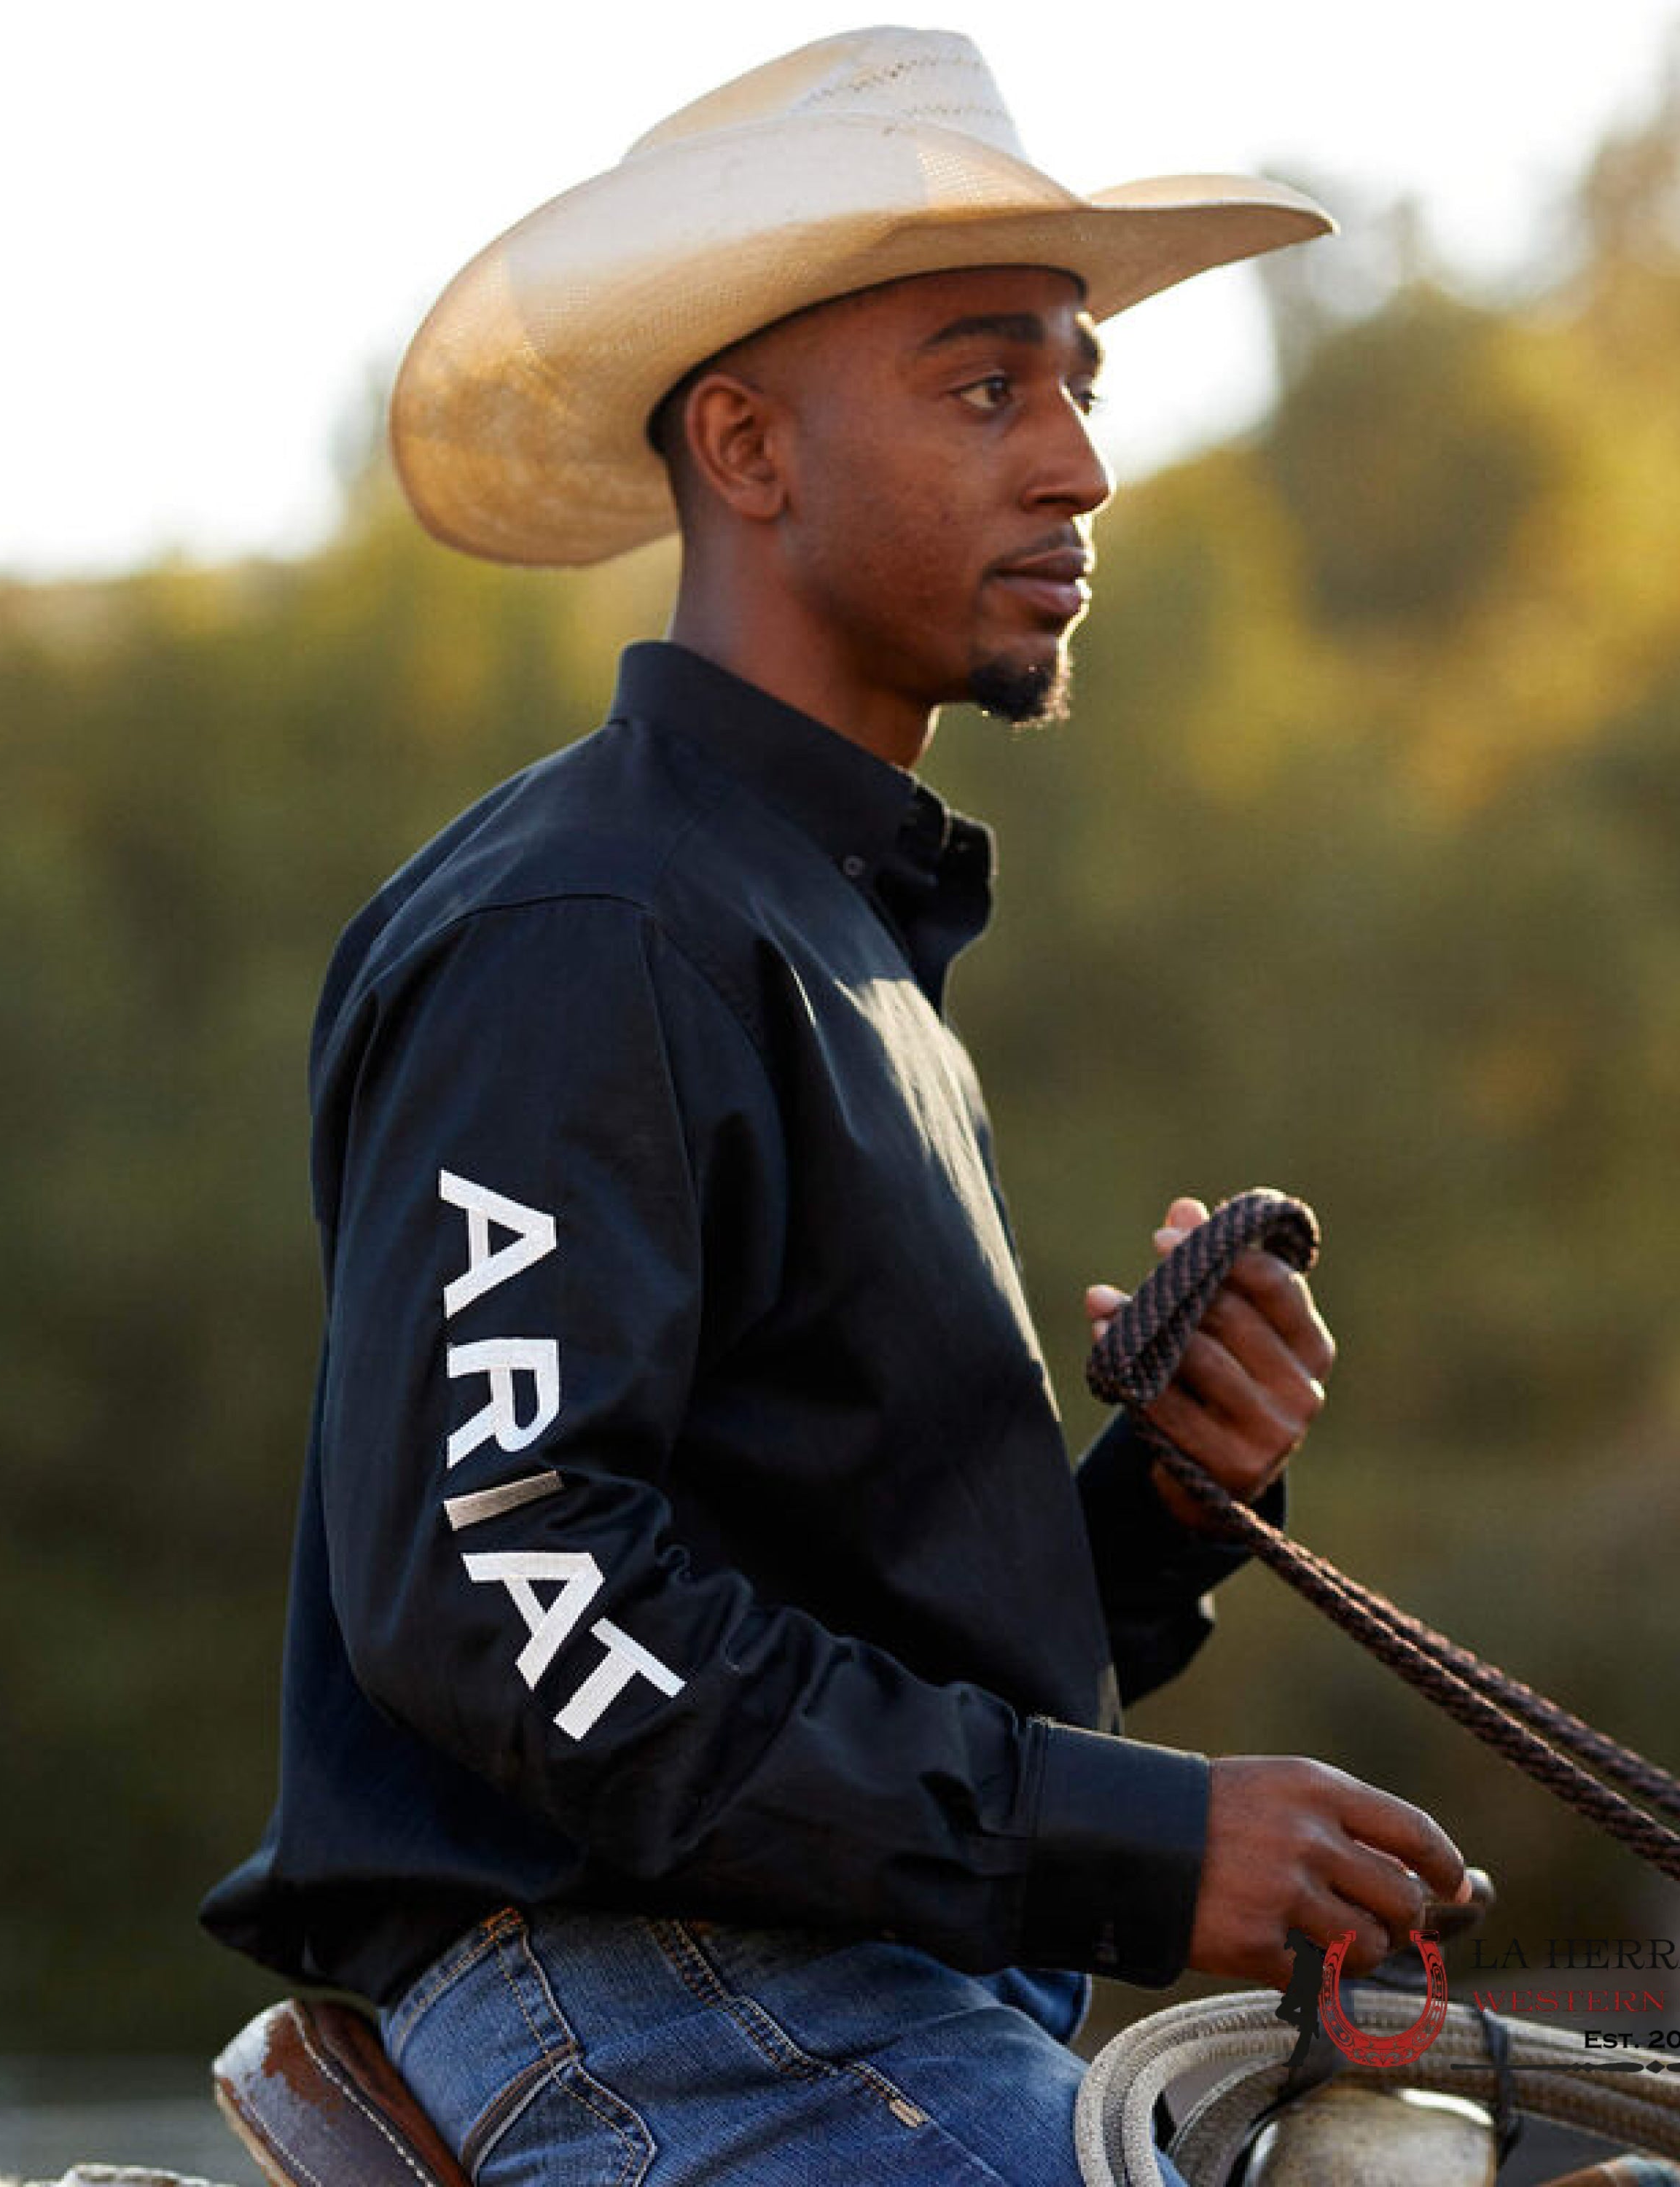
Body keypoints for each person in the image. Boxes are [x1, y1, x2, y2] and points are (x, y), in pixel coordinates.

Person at [203, 26, 1467, 2186]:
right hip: (663, 2008)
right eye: (990, 387)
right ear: (747, 445)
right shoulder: (591, 929)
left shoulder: (821, 932)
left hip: (854, 1992)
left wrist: (1155, 1507)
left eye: (1082, 385)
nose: (1077, 463)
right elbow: (515, 1583)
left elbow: (848, 1662)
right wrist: (1134, 1841)